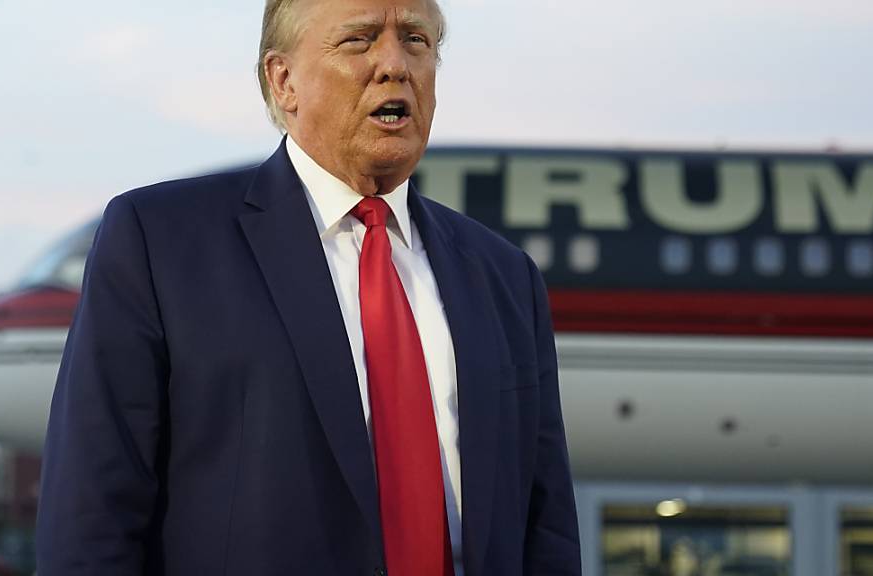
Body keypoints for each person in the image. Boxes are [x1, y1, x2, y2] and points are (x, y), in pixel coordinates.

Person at [35, 0, 581, 574]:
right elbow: (91, 516)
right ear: (283, 79)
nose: (395, 64)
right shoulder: (160, 242)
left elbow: (546, 530)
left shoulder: (504, 277)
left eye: (416, 41)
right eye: (360, 40)